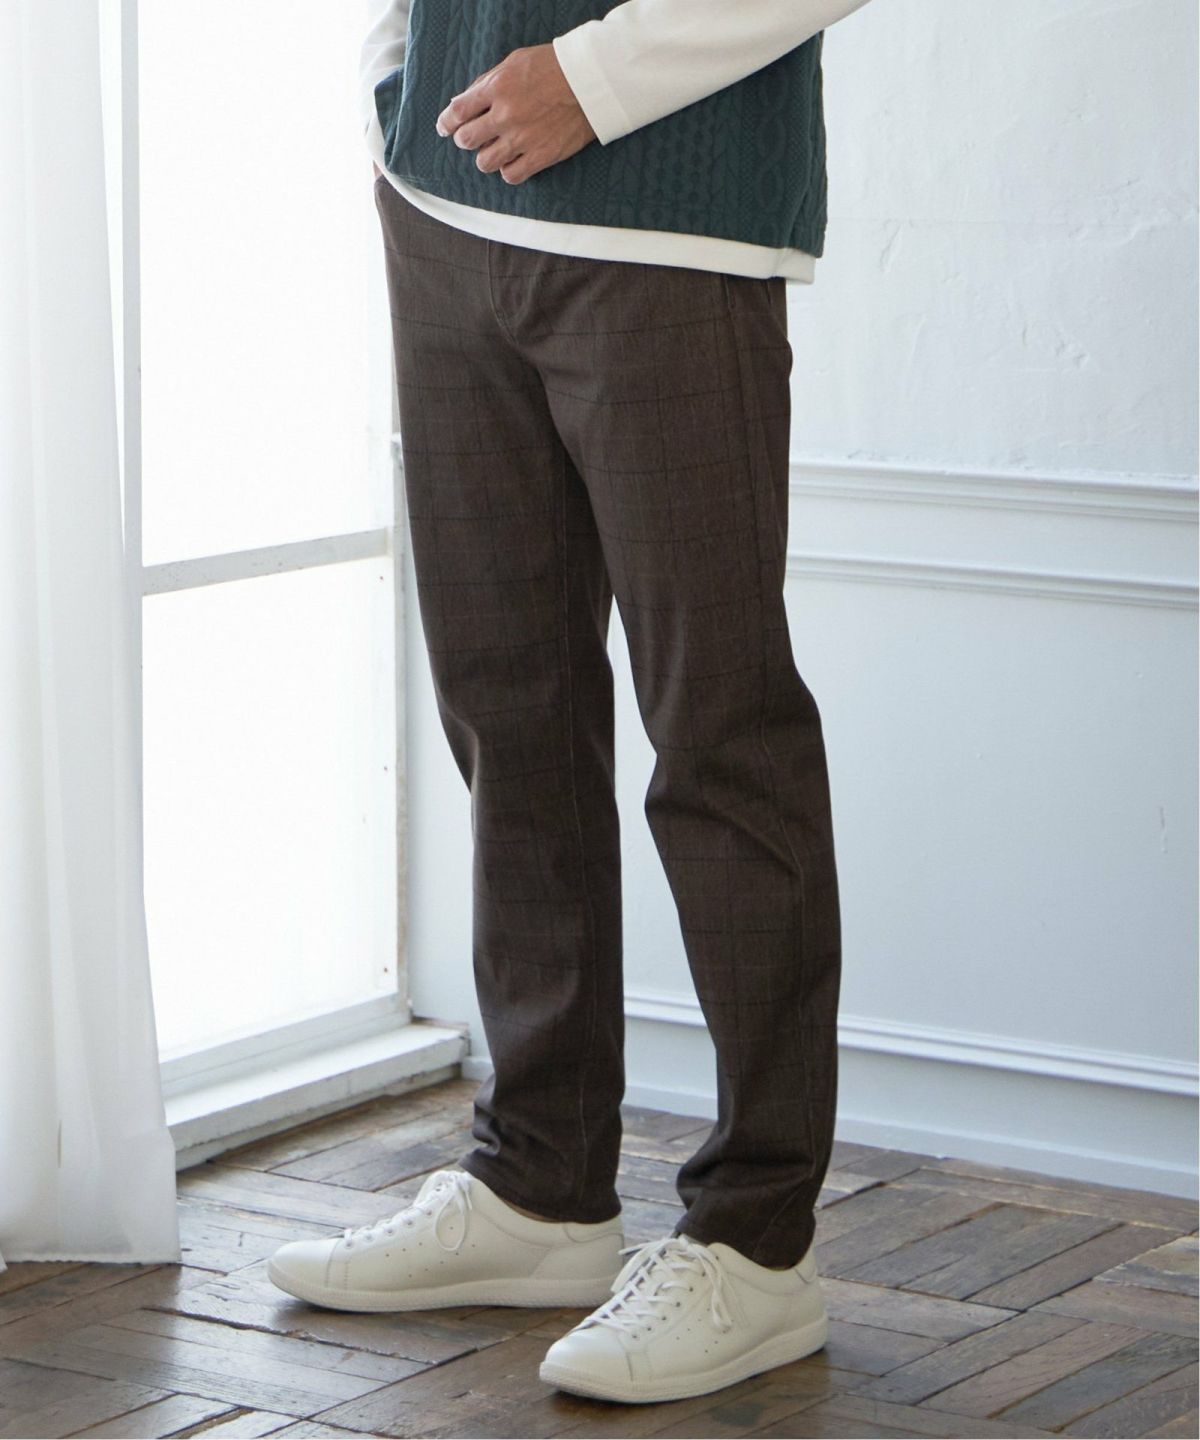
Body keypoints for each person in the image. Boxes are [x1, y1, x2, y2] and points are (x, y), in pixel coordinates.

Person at [270, 0, 875, 1406]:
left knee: (719, 737)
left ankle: (759, 1244)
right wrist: (396, 73)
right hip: (444, 205)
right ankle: (538, 1184)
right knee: (508, 712)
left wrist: (592, 81)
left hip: (670, 225)